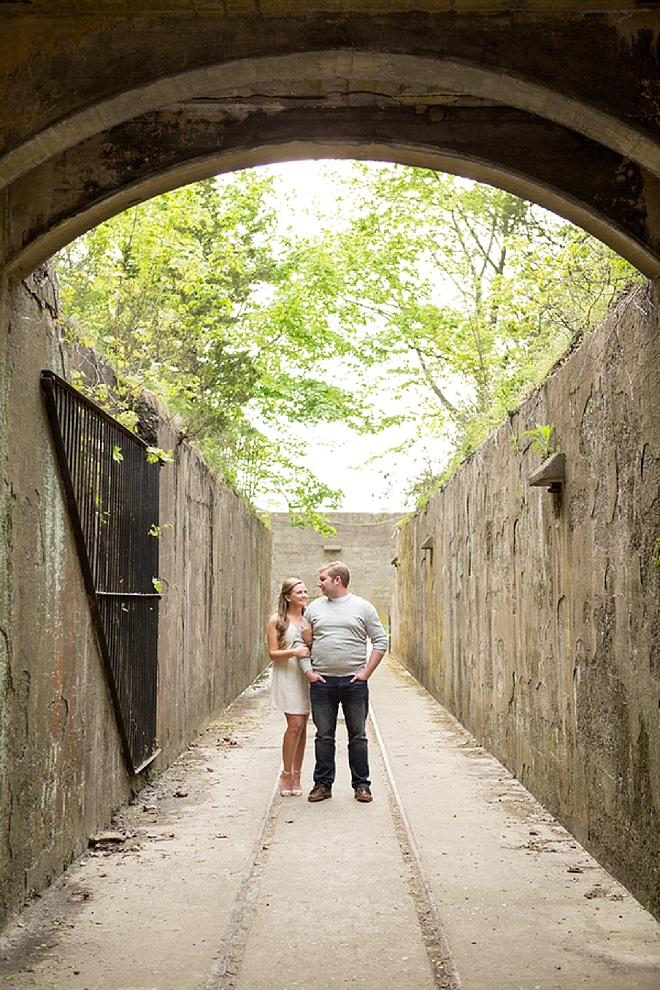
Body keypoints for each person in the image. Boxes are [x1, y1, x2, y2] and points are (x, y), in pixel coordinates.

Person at [297, 561, 388, 803]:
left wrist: (366, 673)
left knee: (357, 735)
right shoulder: (314, 608)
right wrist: (309, 673)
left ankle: (362, 785)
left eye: (323, 579)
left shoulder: (363, 607)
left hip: (354, 683)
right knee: (323, 736)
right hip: (322, 683)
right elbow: (300, 642)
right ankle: (322, 784)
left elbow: (381, 641)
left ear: (337, 580)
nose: (318, 584)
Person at [267, 577, 312, 797]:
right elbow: (273, 654)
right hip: (287, 677)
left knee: (303, 725)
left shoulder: (309, 618)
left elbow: (314, 646)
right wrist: (294, 652)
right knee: (294, 724)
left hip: (306, 675)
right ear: (288, 597)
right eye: (299, 593)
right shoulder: (277, 621)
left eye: (305, 592)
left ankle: (297, 775)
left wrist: (309, 641)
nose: (304, 596)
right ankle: (286, 774)